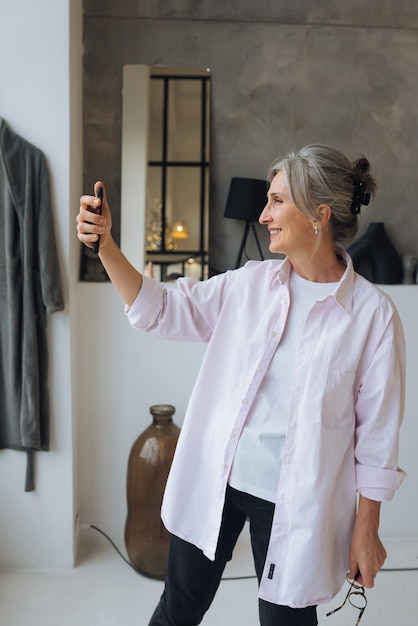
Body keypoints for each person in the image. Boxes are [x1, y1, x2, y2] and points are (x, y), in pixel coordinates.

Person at [77, 144, 406, 626]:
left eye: (277, 201)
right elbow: (162, 310)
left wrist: (366, 529)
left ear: (319, 214)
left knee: (286, 622)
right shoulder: (248, 285)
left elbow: (376, 439)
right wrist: (105, 245)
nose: (263, 214)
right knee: (179, 609)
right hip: (219, 478)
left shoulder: (373, 316)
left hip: (298, 499)